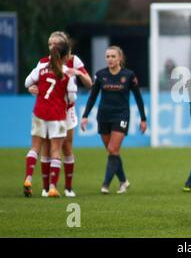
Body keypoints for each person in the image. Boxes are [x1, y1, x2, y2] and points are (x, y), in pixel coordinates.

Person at [27, 31, 92, 197]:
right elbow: (32, 84)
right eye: (49, 44)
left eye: (54, 44)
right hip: (52, 109)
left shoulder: (73, 60)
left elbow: (89, 83)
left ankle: (68, 188)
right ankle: (46, 187)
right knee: (47, 148)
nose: (51, 47)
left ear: (64, 46)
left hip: (67, 110)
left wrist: (79, 74)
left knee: (67, 147)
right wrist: (32, 89)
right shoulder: (44, 62)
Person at [80, 46, 147, 194]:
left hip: (121, 116)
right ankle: (123, 181)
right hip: (103, 116)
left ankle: (105, 185)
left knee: (112, 149)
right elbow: (92, 96)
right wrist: (85, 116)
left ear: (120, 59)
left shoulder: (129, 75)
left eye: (113, 56)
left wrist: (143, 119)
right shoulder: (100, 75)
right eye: (108, 56)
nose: (110, 59)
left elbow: (138, 97)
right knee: (112, 152)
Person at [23, 38, 77, 197]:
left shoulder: (41, 68)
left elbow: (27, 83)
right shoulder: (67, 72)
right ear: (66, 55)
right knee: (55, 151)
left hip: (40, 112)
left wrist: (37, 89)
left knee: (35, 148)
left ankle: (28, 178)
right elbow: (72, 99)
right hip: (58, 115)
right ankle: (53, 187)